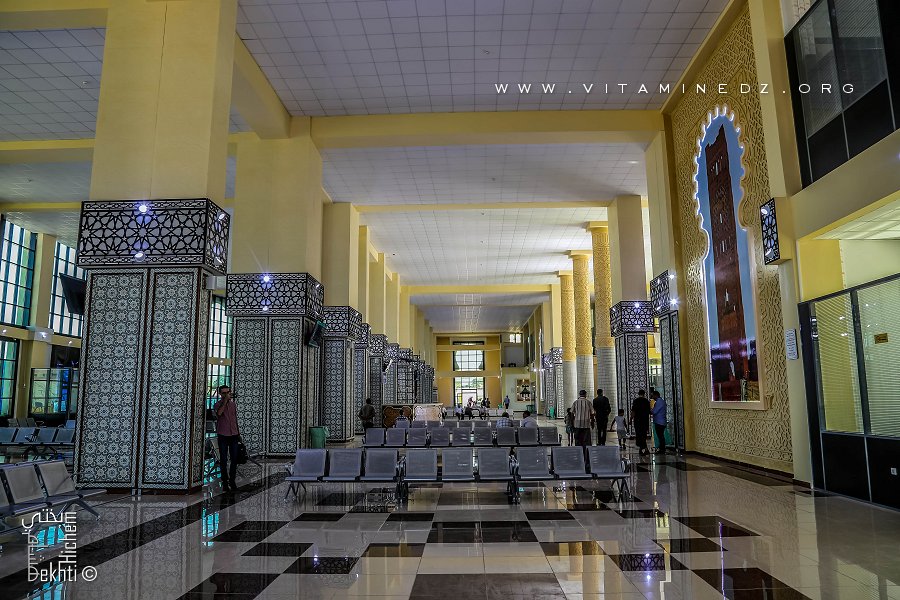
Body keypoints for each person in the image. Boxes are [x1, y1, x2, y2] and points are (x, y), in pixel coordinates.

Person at [213, 385, 240, 491]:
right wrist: (224, 402)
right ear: (220, 394)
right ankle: (224, 481)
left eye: (228, 392)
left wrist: (238, 434)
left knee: (234, 459)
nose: (226, 395)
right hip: (223, 435)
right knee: (223, 459)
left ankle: (232, 480)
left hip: (233, 435)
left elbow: (235, 419)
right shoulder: (217, 404)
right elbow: (219, 413)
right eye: (224, 393)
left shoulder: (233, 405)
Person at [631, 389, 652, 456]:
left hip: (637, 421)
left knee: (639, 435)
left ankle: (644, 449)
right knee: (643, 435)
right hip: (645, 421)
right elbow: (649, 411)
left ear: (638, 394)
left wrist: (630, 419)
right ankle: (642, 449)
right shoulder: (646, 401)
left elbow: (633, 411)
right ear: (644, 394)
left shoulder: (636, 401)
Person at [651, 390, 667, 454]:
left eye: (652, 395)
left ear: (656, 395)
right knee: (660, 436)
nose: (652, 396)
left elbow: (654, 411)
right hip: (661, 421)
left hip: (659, 422)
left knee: (660, 436)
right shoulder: (660, 401)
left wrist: (650, 411)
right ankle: (661, 448)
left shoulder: (659, 402)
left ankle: (662, 449)